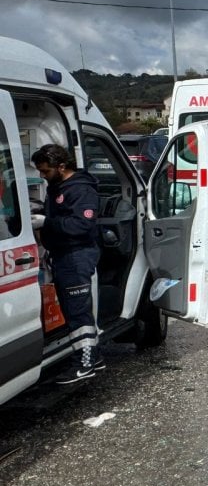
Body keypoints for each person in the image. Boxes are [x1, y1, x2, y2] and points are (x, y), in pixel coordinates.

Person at [33, 144, 103, 384]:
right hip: (64, 256)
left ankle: (84, 364)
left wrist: (47, 223)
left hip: (76, 257)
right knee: (74, 309)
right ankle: (95, 356)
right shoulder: (58, 186)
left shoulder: (81, 190)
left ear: (61, 167)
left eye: (45, 171)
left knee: (78, 313)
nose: (42, 176)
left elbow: (81, 225)